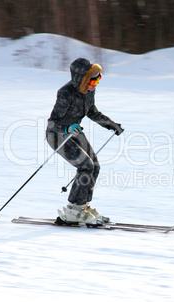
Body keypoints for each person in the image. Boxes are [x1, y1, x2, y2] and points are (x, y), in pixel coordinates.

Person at [46, 58, 123, 224]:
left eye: (98, 79)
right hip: (57, 135)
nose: (96, 83)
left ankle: (84, 207)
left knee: (94, 166)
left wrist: (111, 125)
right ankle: (74, 210)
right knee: (85, 166)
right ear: (82, 79)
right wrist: (66, 128)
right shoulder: (66, 93)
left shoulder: (88, 91)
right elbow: (53, 122)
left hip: (74, 133)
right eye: (93, 79)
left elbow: (92, 112)